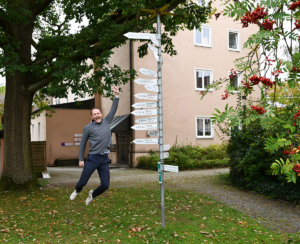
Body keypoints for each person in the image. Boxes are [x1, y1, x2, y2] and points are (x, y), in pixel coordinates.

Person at [70, 85, 120, 206]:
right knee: (82, 182)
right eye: (94, 114)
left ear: (101, 114)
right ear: (92, 117)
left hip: (104, 159)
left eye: (98, 113)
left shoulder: (107, 121)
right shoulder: (88, 128)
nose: (97, 115)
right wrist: (81, 159)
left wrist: (117, 95)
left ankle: (92, 195)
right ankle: (77, 190)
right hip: (93, 158)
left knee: (105, 185)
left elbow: (114, 108)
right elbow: (82, 144)